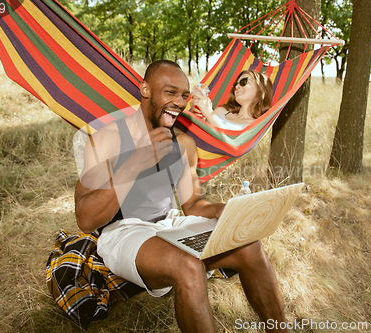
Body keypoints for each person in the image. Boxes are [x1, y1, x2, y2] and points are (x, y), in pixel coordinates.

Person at [74, 60, 289, 333]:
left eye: (184, 95)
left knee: (249, 246)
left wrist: (222, 210)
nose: (179, 102)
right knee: (188, 264)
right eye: (170, 92)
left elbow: (192, 204)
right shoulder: (108, 139)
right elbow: (85, 218)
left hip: (170, 223)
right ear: (145, 90)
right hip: (123, 230)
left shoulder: (184, 144)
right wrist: (134, 162)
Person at [191, 70, 273, 130]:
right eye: (235, 84)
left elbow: (232, 143)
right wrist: (197, 115)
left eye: (243, 82)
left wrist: (209, 113)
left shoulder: (257, 125)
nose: (237, 86)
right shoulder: (220, 111)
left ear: (261, 89)